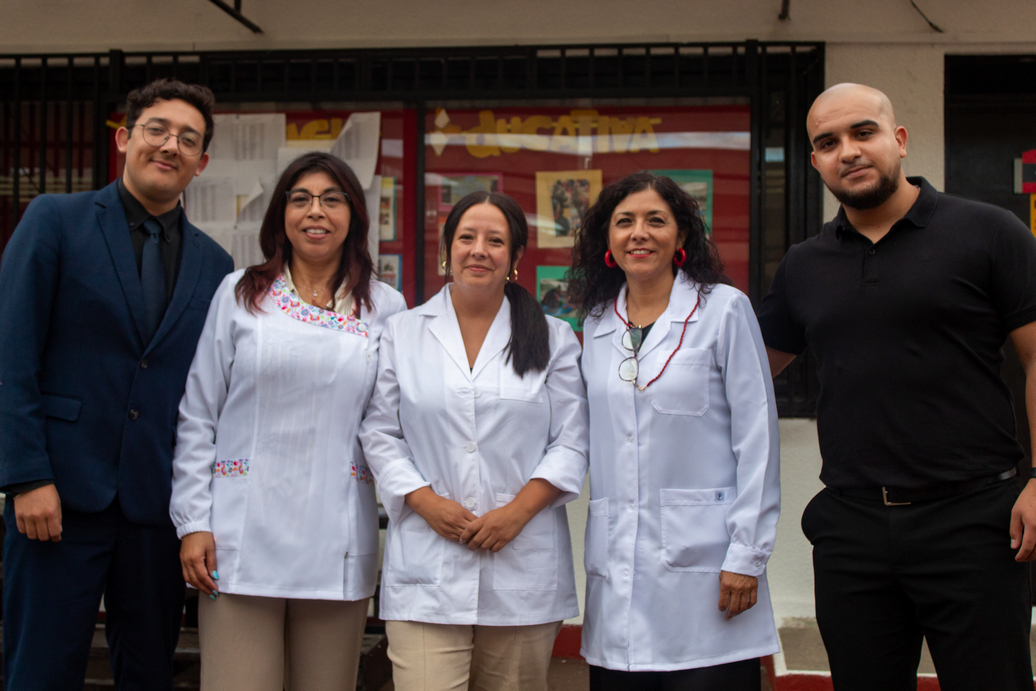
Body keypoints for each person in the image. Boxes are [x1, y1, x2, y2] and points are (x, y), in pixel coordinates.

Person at [758, 83, 1036, 691]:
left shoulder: (990, 231)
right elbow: (744, 375)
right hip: (852, 527)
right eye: (828, 142)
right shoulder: (804, 265)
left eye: (864, 132)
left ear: (899, 140)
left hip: (975, 522)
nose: (848, 151)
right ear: (815, 161)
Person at [0, 79, 233, 689]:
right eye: (158, 130)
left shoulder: (216, 265)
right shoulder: (55, 220)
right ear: (126, 138)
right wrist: (26, 476)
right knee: (40, 671)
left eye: (188, 139)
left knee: (149, 672)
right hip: (56, 499)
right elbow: (11, 354)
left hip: (157, 506)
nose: (171, 146)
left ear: (202, 162)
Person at [169, 151, 406, 691]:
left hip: (336, 534)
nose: (315, 211)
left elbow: (388, 425)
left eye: (331, 199)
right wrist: (193, 521)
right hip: (239, 533)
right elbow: (198, 414)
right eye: (301, 199)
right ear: (281, 214)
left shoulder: (385, 307)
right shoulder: (239, 293)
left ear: (354, 215)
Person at [359, 190, 589, 691]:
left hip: (522, 567)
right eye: (467, 237)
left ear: (515, 256)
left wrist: (517, 513)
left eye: (495, 240)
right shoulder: (402, 333)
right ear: (447, 249)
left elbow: (571, 442)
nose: (479, 249)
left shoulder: (553, 337)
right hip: (428, 566)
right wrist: (425, 502)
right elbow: (380, 431)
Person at [568, 172, 780, 691]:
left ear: (681, 235)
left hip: (709, 569)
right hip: (618, 567)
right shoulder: (596, 322)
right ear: (608, 239)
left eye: (656, 220)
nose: (639, 233)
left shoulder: (724, 309)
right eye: (624, 221)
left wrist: (747, 554)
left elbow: (758, 438)